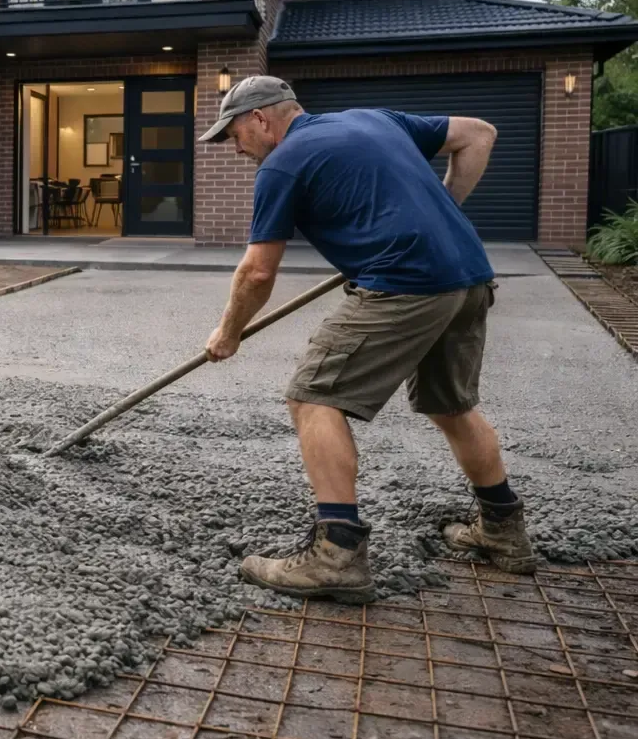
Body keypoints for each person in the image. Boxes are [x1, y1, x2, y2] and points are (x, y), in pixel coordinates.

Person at [199, 75, 535, 604]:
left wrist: (228, 332)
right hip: (468, 275)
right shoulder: (374, 118)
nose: (235, 148)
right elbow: (479, 134)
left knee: (313, 397)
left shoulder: (281, 165)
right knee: (453, 406)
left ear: (261, 119)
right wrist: (442, 210)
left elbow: (258, 273)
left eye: (234, 134)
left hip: (405, 284)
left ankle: (336, 556)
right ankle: (504, 530)